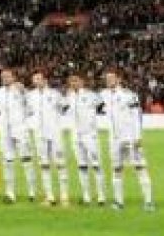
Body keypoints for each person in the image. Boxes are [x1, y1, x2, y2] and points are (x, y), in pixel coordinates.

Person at [102, 70, 154, 211]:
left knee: (140, 167)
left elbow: (137, 116)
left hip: (130, 137)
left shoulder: (129, 95)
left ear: (119, 79)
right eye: (107, 78)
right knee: (116, 169)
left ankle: (149, 202)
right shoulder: (104, 95)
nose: (109, 80)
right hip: (114, 138)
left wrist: (138, 136)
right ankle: (119, 202)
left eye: (111, 78)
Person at [65, 74, 107, 205]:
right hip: (76, 135)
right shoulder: (69, 96)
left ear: (82, 82)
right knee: (82, 166)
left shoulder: (91, 95)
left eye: (76, 80)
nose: (74, 83)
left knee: (96, 165)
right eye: (71, 81)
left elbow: (104, 107)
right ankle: (86, 196)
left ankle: (101, 196)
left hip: (90, 134)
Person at [27, 72, 67, 206]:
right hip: (39, 134)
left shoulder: (55, 94)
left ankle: (64, 195)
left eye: (38, 79)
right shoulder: (30, 96)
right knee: (44, 165)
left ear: (45, 79)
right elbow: (28, 111)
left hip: (54, 132)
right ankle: (49, 196)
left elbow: (65, 107)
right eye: (34, 80)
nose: (36, 81)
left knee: (60, 163)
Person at [0, 69, 34, 203]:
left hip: (20, 129)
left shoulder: (20, 90)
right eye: (3, 77)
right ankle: (10, 193)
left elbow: (31, 107)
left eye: (7, 76)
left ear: (13, 77)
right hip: (5, 130)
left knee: (26, 160)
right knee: (7, 161)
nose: (5, 78)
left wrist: (24, 92)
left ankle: (32, 191)